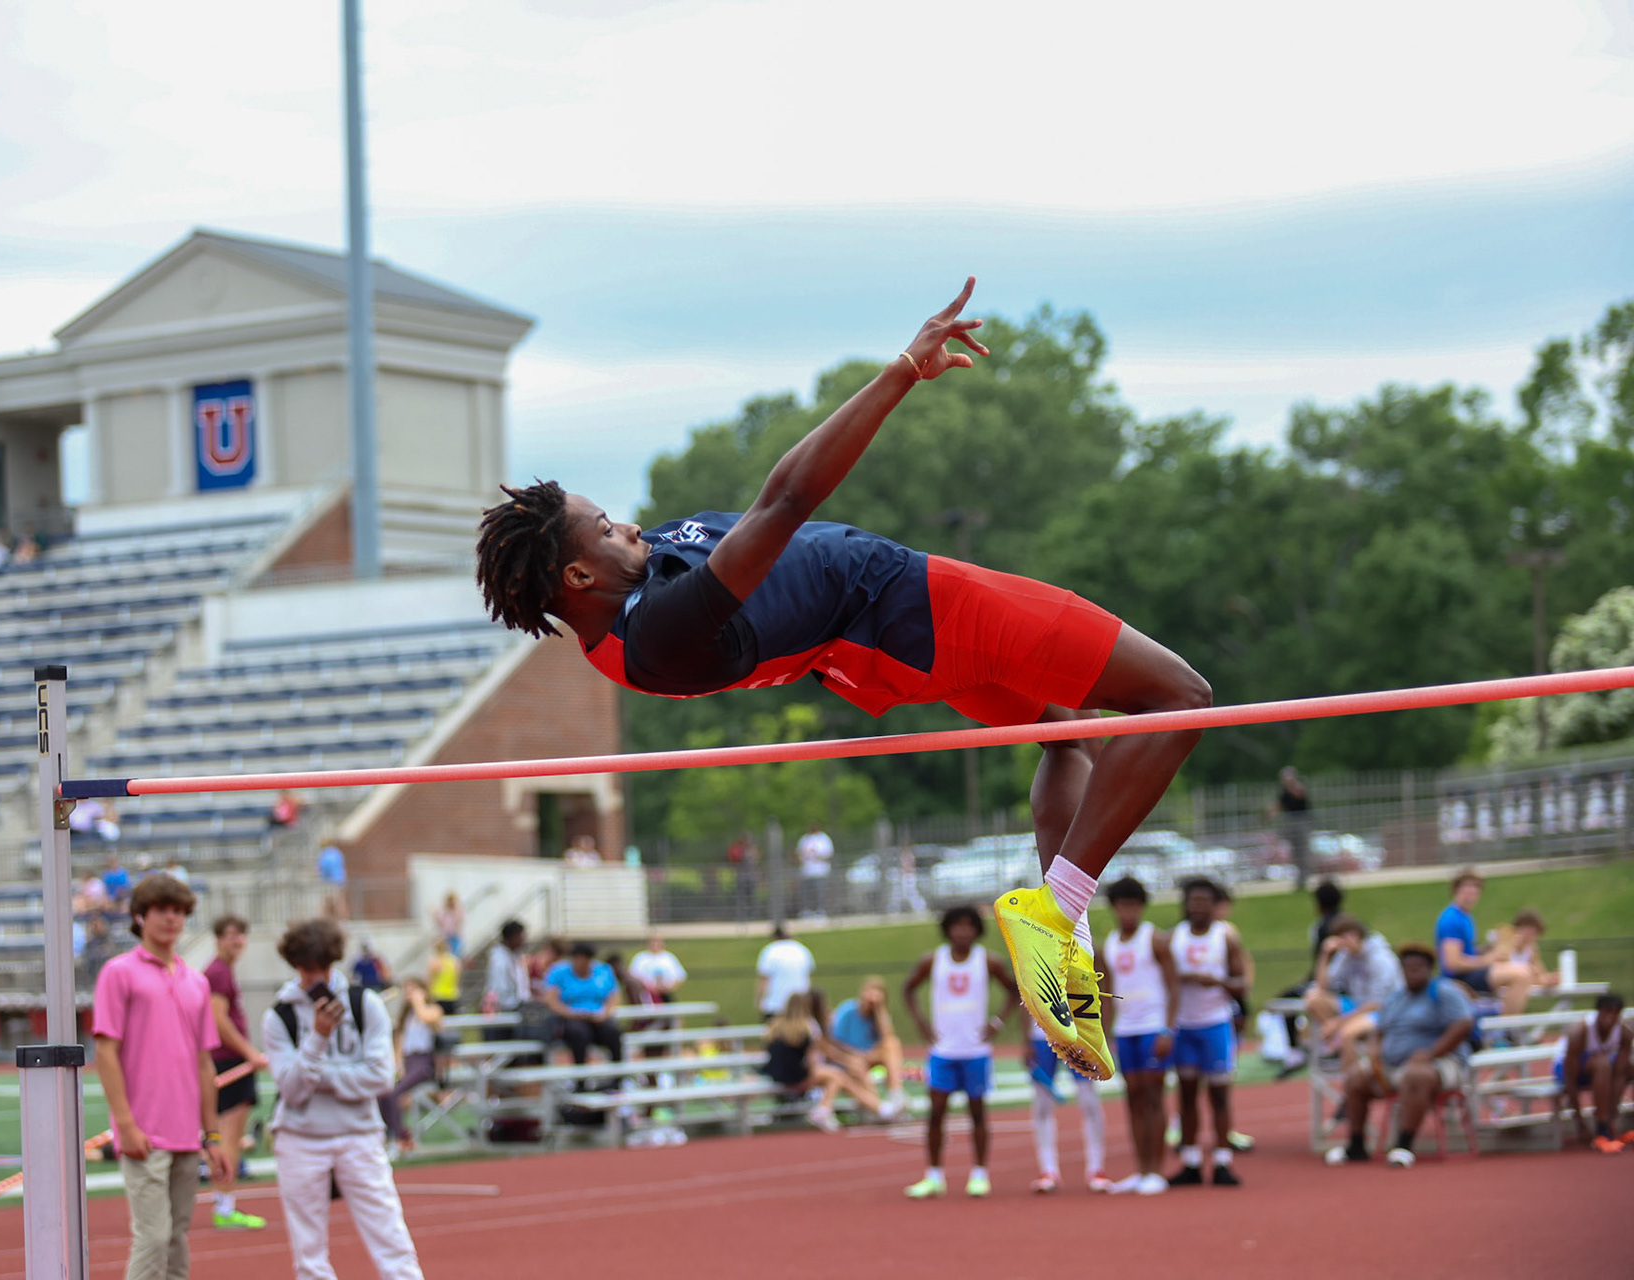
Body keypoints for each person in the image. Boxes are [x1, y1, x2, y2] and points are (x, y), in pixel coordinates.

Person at [473, 279, 1211, 1082]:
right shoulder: (657, 632)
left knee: (1066, 736)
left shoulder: (627, 600)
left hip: (879, 641)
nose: (629, 524)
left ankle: (1057, 954)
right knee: (1177, 695)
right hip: (912, 612)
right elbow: (788, 500)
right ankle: (1056, 909)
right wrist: (900, 370)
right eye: (607, 526)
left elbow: (752, 510)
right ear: (579, 574)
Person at [264, 919, 423, 1280]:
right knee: (309, 1253)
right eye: (306, 968)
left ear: (333, 961)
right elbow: (290, 1090)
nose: (314, 976)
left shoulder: (364, 1004)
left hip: (359, 1134)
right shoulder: (280, 1015)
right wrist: (318, 1039)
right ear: (295, 965)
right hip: (299, 1139)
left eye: (321, 966)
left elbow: (382, 1077)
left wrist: (317, 1075)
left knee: (391, 1239)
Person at [92, 874, 231, 1280]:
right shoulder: (119, 973)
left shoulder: (197, 982)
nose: (171, 919)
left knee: (176, 1238)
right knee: (152, 1237)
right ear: (140, 916)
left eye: (179, 911)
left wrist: (214, 1136)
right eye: (162, 910)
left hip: (188, 1133)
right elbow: (105, 1052)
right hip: (144, 1132)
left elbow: (205, 1064)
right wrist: (126, 1124)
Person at [901, 906, 1020, 1200]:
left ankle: (980, 1173)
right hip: (942, 1049)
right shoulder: (933, 960)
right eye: (957, 926)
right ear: (947, 929)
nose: (962, 932)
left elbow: (1014, 989)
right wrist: (921, 1023)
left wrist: (997, 1022)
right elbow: (908, 989)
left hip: (975, 1049)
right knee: (936, 1113)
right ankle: (934, 1176)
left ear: (977, 930)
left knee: (977, 1112)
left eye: (968, 926)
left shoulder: (987, 961)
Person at [1324, 943, 1475, 1168]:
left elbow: (1463, 1025)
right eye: (1407, 969)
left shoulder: (1444, 992)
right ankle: (1356, 1146)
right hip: (1393, 1065)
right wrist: (1373, 1051)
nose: (1411, 975)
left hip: (1439, 1063)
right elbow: (1379, 1030)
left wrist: (1432, 1053)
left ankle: (1404, 1145)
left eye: (1417, 969)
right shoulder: (1397, 998)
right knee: (1355, 1076)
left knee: (1416, 1075)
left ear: (1428, 969)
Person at [1100, 876, 1179, 1196]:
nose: (1128, 912)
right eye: (1122, 906)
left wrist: (1167, 1029)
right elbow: (1105, 995)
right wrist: (1103, 1036)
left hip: (1152, 1027)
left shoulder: (1155, 940)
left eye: (1133, 905)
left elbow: (1174, 987)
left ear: (1142, 907)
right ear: (1114, 908)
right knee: (1132, 1098)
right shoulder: (1109, 945)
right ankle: (1141, 1168)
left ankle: (1157, 1171)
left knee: (1152, 1096)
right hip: (1126, 1030)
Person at [1169, 878, 1248, 1187]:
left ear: (1214, 905)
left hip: (1215, 1024)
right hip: (1184, 1026)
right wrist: (1183, 977)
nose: (1198, 906)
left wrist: (1216, 982)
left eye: (1204, 901)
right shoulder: (1175, 937)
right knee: (1186, 1095)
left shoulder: (1224, 938)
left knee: (1218, 1096)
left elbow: (1242, 983)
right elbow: (1163, 977)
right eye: (1193, 900)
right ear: (1186, 904)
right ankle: (1190, 1160)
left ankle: (1222, 1161)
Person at [203, 914, 269, 1230]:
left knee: (221, 1136)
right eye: (231, 935)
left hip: (225, 1061)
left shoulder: (223, 972)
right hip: (229, 1062)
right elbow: (217, 1019)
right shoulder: (218, 973)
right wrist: (249, 1053)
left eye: (242, 934)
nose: (238, 940)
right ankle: (225, 1207)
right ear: (218, 938)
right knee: (228, 1137)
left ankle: (224, 1204)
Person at [762, 991, 881, 1133]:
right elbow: (813, 1060)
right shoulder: (807, 1027)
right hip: (797, 1077)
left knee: (840, 1076)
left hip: (776, 1075)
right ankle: (875, 1108)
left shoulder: (774, 1026)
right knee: (837, 1076)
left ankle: (874, 1107)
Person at [1304, 914, 1402, 1075]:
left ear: (1356, 935)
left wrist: (1338, 1023)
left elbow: (1376, 1004)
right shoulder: (1346, 955)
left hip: (1385, 1011)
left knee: (1347, 1033)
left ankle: (1353, 1081)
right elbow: (1322, 986)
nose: (1342, 943)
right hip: (1359, 1005)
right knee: (1313, 998)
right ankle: (1336, 1049)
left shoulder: (1381, 960)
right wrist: (1325, 955)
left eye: (1345, 937)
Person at [1024, 1019, 1110, 1194]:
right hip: (1041, 1036)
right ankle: (1048, 1170)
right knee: (1042, 1104)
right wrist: (1026, 1040)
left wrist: (1101, 1036)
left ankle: (1096, 1169)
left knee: (1089, 1101)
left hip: (1078, 1035)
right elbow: (1025, 998)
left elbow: (1099, 996)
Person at [1435, 868, 1535, 1016]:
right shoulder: (1452, 919)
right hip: (1459, 979)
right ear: (1456, 890)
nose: (1470, 896)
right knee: (1521, 975)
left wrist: (1490, 951)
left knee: (1523, 971)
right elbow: (1452, 963)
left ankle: (1505, 1026)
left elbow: (1465, 952)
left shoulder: (1464, 916)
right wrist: (1487, 959)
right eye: (1466, 890)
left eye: (1474, 891)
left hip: (1467, 974)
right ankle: (1505, 1029)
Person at [1275, 879, 1346, 1077]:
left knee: (1289, 1000)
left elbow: (1324, 963)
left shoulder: (1324, 927)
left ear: (1318, 903)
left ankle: (1298, 1049)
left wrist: (1312, 981)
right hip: (1342, 983)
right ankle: (1323, 1043)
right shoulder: (1349, 922)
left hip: (1331, 984)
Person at [379, 978, 445, 1154]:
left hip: (424, 1062)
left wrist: (418, 1001)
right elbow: (399, 1046)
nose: (408, 994)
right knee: (384, 1093)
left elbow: (427, 1017)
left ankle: (400, 1137)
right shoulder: (406, 1017)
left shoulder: (431, 1010)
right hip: (408, 1062)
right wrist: (397, 1067)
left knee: (394, 1094)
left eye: (412, 989)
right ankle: (390, 1134)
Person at [826, 976, 908, 1118]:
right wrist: (855, 1053)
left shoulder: (879, 1016)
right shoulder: (848, 1010)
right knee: (858, 1065)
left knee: (892, 1044)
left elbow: (887, 1037)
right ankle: (878, 1108)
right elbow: (834, 1041)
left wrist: (879, 1009)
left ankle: (896, 1094)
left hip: (869, 1055)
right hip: (848, 1056)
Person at [1561, 993, 1631, 1152]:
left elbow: (1620, 1074)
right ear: (1598, 1012)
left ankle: (1609, 1123)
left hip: (1600, 1068)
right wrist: (1579, 1122)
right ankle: (1601, 1130)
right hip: (1568, 1068)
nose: (1610, 1018)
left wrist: (1613, 1115)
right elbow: (1570, 1079)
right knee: (1602, 1064)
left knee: (1628, 1067)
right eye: (1606, 1013)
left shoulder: (1625, 1033)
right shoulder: (1580, 1032)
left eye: (1615, 1014)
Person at [542, 942, 625, 1074]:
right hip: (571, 1017)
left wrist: (604, 1013)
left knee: (613, 1032)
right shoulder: (559, 972)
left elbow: (614, 996)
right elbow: (551, 999)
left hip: (597, 1017)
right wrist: (572, 1014)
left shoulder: (603, 971)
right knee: (579, 1034)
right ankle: (580, 1078)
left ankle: (617, 1076)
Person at [755, 925, 815, 1018]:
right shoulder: (802, 950)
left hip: (774, 1005)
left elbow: (764, 980)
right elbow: (808, 979)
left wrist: (759, 1001)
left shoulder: (770, 950)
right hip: (800, 1005)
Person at [1270, 766, 1314, 887]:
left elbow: (1299, 794)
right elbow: (1278, 805)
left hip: (1302, 822)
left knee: (1303, 850)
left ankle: (1305, 877)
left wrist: (1291, 785)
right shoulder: (1283, 793)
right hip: (1291, 823)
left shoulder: (1298, 788)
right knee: (1295, 852)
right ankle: (1299, 877)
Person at [628, 934, 687, 1004]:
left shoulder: (669, 958)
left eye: (658, 942)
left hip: (666, 995)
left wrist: (668, 988)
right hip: (646, 995)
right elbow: (632, 975)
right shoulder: (641, 958)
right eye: (653, 942)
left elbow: (680, 977)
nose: (655, 945)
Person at [795, 824, 834, 920]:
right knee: (807, 893)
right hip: (807, 871)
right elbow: (799, 854)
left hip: (820, 871)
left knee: (820, 892)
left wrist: (816, 854)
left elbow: (828, 855)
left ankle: (821, 911)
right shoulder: (804, 839)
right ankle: (807, 911)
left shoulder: (824, 839)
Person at [726, 831, 757, 921]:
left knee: (752, 898)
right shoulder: (737, 848)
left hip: (751, 877)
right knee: (741, 898)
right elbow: (733, 860)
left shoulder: (752, 848)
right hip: (741, 877)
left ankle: (752, 916)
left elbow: (756, 860)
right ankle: (741, 916)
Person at [426, 943, 460, 1016]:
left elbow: (429, 981)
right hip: (452, 996)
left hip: (438, 995)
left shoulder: (435, 962)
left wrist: (428, 996)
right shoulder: (454, 961)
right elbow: (457, 980)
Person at [318, 843, 349, 920]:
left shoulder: (324, 855)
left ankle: (325, 920)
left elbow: (323, 869)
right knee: (339, 902)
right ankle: (343, 920)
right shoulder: (337, 853)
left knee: (328, 903)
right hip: (340, 881)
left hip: (329, 882)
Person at [431, 891, 464, 958]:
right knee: (444, 956)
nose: (451, 903)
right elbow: (440, 923)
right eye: (449, 901)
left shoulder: (457, 911)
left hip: (454, 936)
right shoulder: (443, 912)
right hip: (445, 937)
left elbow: (459, 921)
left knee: (455, 956)